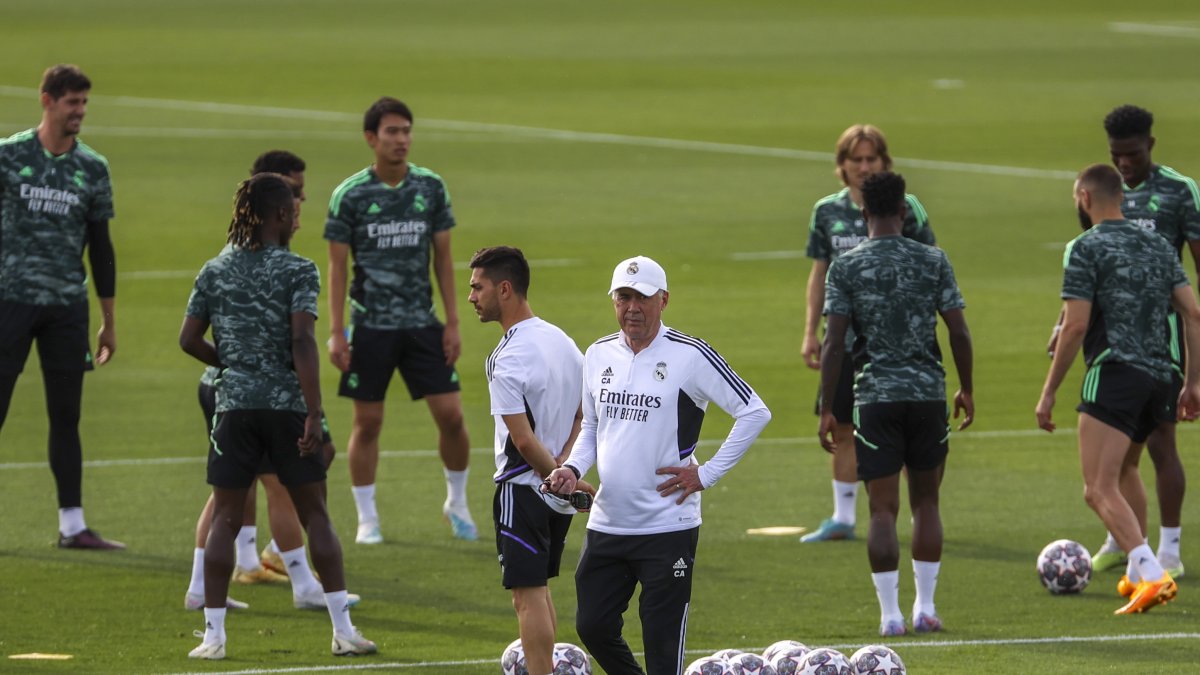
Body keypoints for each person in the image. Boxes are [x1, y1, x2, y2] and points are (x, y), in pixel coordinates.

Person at [180, 173, 375, 659]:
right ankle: (342, 631)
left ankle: (214, 638)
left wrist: (230, 363)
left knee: (225, 516)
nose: (298, 217)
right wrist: (315, 412)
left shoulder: (214, 269)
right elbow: (302, 341)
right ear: (281, 215)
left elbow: (187, 339)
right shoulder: (297, 270)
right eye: (294, 209)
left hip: (233, 408)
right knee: (316, 515)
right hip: (286, 406)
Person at [545, 255, 771, 675]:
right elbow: (593, 426)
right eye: (623, 297)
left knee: (663, 652)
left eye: (643, 298)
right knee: (592, 626)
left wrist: (706, 474)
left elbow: (754, 411)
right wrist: (573, 469)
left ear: (663, 300)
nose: (632, 307)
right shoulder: (596, 354)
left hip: (669, 526)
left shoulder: (690, 355)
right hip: (608, 523)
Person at [1036, 163, 1200, 615]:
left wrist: (1049, 392)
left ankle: (1152, 572)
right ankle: (1136, 567)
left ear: (1084, 198)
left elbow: (1076, 326)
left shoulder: (1083, 247)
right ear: (1121, 198)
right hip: (1161, 376)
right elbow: (1193, 312)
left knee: (1097, 487)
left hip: (1113, 373)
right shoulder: (1160, 246)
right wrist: (1192, 382)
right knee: (1127, 468)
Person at [817, 171, 973, 637]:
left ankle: (890, 616)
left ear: (863, 212)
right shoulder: (933, 260)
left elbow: (834, 342)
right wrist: (966, 388)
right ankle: (926, 607)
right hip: (928, 393)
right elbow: (959, 331)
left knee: (882, 511)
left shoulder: (845, 266)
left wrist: (828, 406)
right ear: (904, 211)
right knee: (927, 503)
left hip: (874, 398)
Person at [325, 96, 476, 544]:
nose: (402, 140)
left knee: (451, 415)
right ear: (371, 138)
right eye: (392, 132)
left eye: (406, 131)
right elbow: (336, 268)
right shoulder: (349, 195)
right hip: (370, 326)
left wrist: (452, 321)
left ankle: (457, 500)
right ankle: (367, 517)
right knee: (367, 423)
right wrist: (337, 331)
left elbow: (444, 259)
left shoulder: (430, 188)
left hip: (421, 323)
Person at [0, 64, 123, 549]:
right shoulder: (9, 157)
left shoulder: (93, 168)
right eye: (73, 102)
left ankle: (72, 524)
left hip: (66, 308)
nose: (80, 112)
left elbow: (102, 247)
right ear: (47, 100)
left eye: (84, 103)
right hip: (9, 300)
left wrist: (108, 320)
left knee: (66, 414)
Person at [800, 124, 936, 543]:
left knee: (909, 426)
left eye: (870, 159)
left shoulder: (907, 207)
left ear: (884, 162)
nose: (863, 167)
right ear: (841, 166)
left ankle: (921, 512)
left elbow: (928, 264)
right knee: (841, 425)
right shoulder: (827, 211)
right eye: (855, 159)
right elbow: (819, 272)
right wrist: (810, 332)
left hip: (895, 341)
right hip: (842, 338)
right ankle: (843, 517)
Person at [1085, 105, 1200, 579]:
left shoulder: (1179, 191)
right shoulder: (1104, 191)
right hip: (1110, 341)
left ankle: (1169, 550)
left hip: (1163, 338)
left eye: (1132, 154)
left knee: (1158, 441)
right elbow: (1087, 268)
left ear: (1150, 145)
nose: (1125, 164)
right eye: (1117, 155)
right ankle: (1123, 538)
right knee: (1117, 446)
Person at [468, 246, 585, 675]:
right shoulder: (564, 341)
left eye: (477, 287)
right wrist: (568, 472)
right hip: (557, 496)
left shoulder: (507, 356)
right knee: (541, 590)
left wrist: (554, 473)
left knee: (526, 595)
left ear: (504, 288)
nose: (471, 297)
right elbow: (581, 417)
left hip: (523, 490)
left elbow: (520, 437)